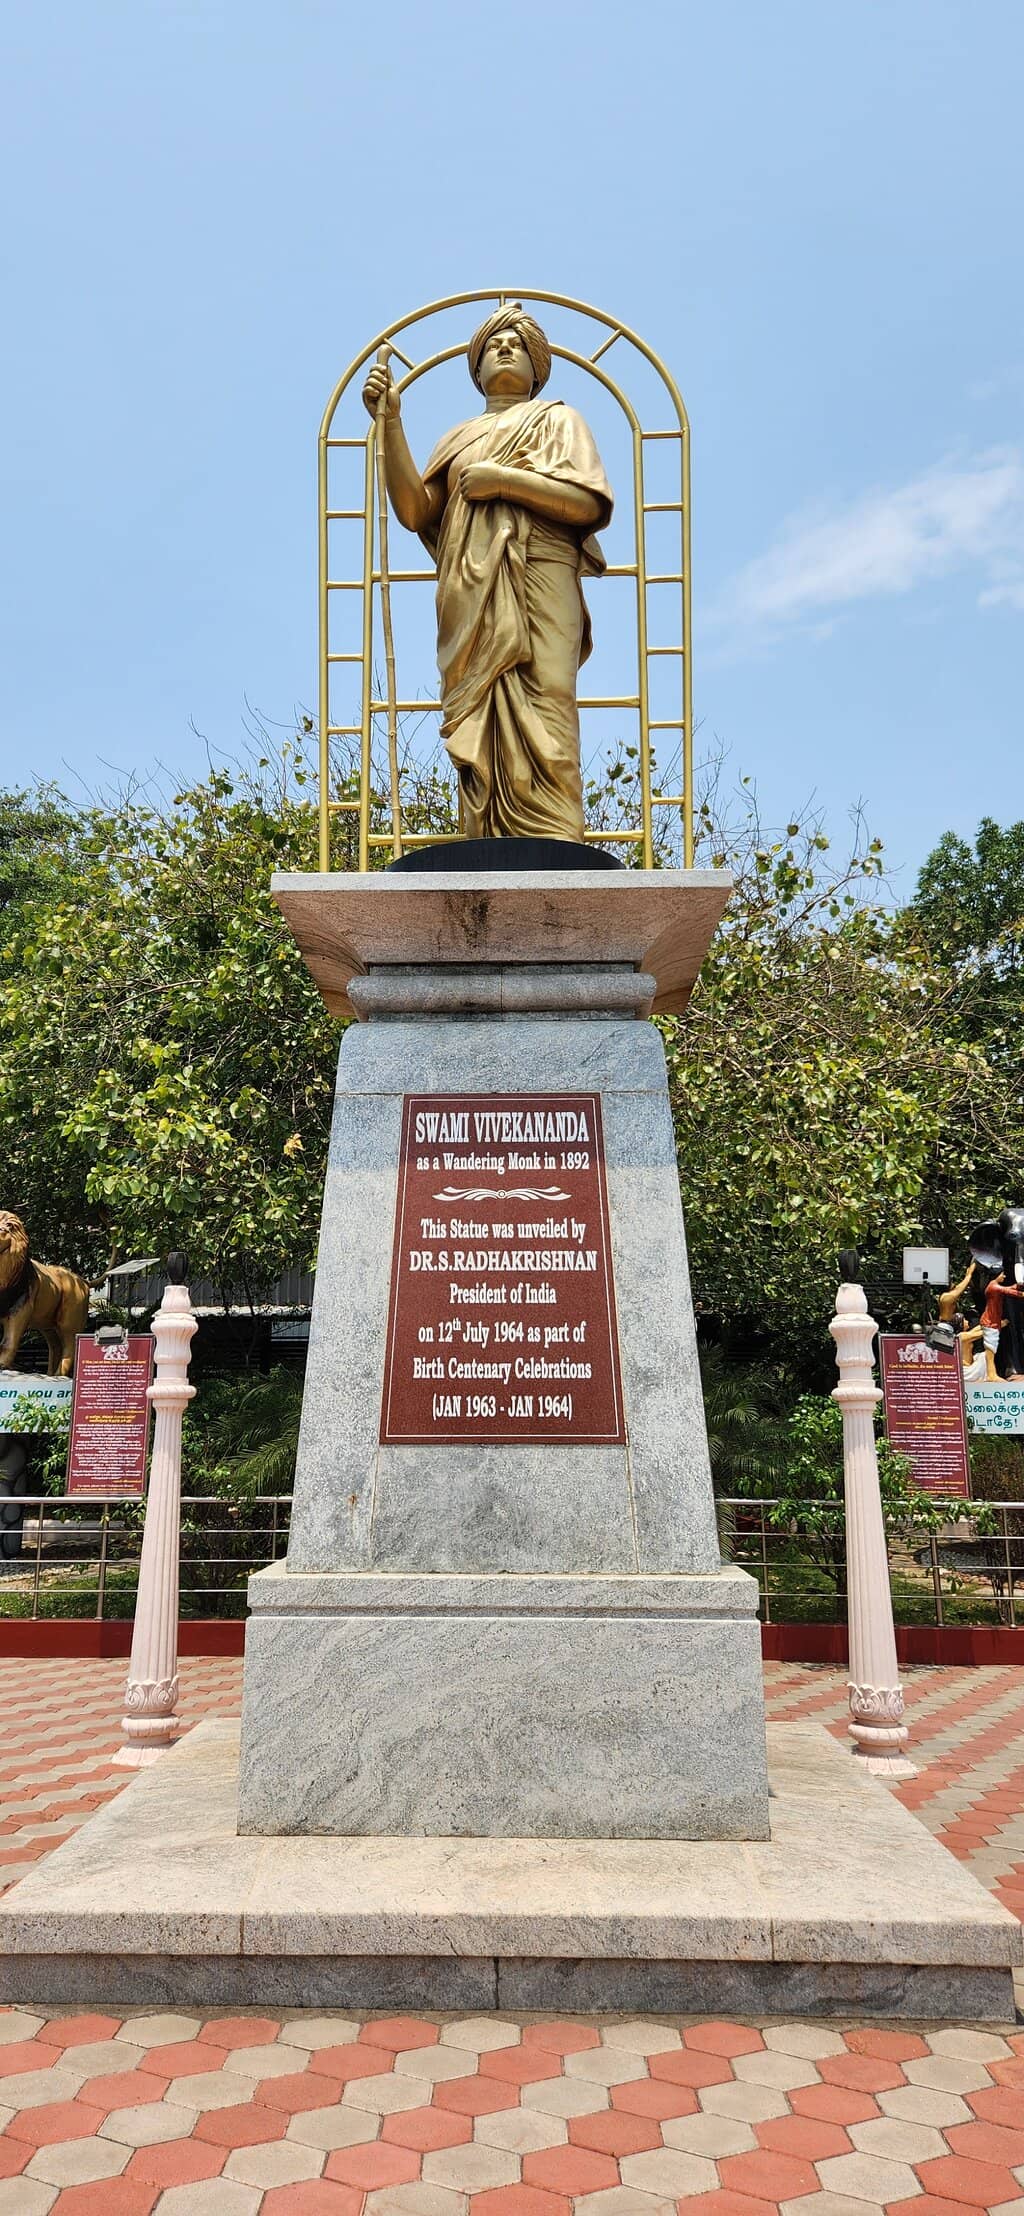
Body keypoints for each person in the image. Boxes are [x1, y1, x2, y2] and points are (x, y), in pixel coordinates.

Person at [362, 306, 613, 842]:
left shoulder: (559, 421)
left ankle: (557, 836)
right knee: (480, 711)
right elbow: (413, 511)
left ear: (537, 367)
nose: (504, 349)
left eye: (516, 345)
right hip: (469, 588)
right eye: (493, 345)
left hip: (542, 574)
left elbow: (587, 504)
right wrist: (390, 423)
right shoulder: (456, 439)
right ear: (476, 370)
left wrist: (505, 483)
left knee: (549, 698)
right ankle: (483, 834)